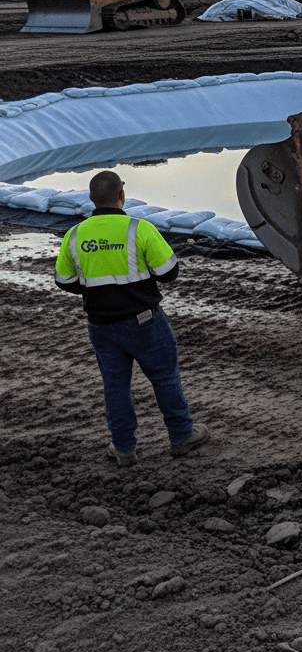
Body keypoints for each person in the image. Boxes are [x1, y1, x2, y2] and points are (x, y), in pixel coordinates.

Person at [54, 170, 209, 466]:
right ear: (121, 196)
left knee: (115, 385)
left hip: (100, 325)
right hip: (144, 322)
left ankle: (124, 449)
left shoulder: (75, 235)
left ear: (91, 199)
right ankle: (181, 436)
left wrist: (95, 289)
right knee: (164, 377)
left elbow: (64, 280)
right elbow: (169, 274)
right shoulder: (140, 228)